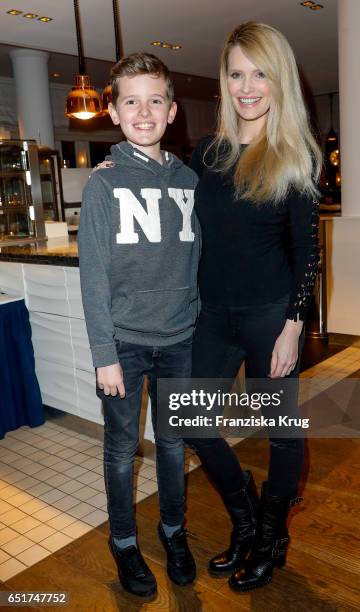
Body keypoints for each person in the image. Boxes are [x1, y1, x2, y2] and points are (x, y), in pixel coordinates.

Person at [185, 21, 322, 592]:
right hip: (212, 314)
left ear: (278, 80)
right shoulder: (206, 153)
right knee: (190, 420)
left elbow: (309, 253)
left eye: (259, 73)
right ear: (225, 80)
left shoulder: (293, 156)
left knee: (282, 434)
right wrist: (119, 174)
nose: (247, 86)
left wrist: (293, 327)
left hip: (270, 314)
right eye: (237, 73)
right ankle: (244, 516)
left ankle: (271, 536)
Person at [78, 52, 200, 597]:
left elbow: (201, 262)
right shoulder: (103, 186)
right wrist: (104, 353)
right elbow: (94, 277)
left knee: (173, 444)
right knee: (122, 447)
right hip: (124, 342)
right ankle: (124, 542)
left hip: (181, 339)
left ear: (172, 111)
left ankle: (173, 531)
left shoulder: (190, 180)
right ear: (114, 110)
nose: (144, 111)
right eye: (132, 101)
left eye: (156, 100)